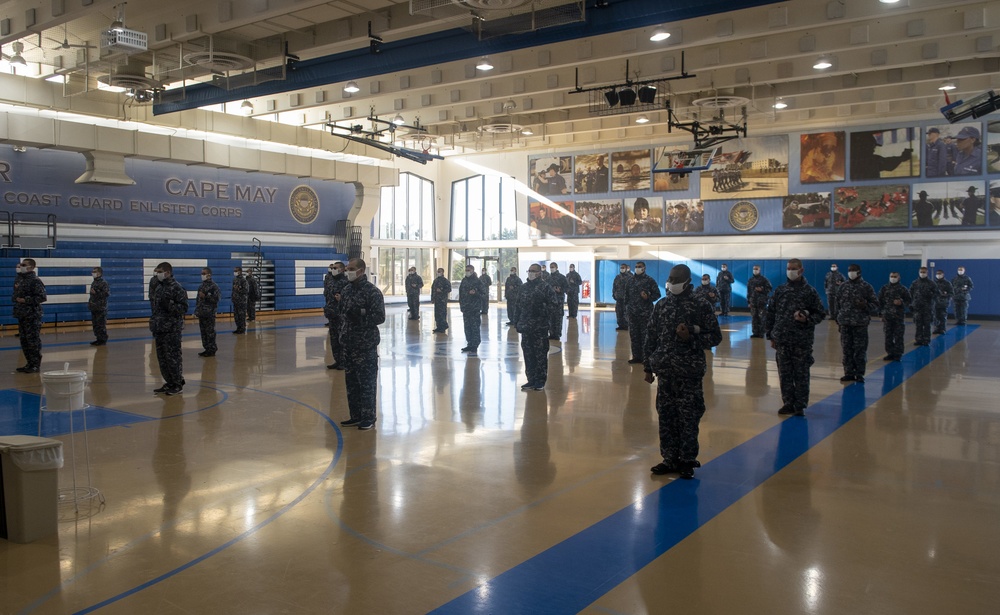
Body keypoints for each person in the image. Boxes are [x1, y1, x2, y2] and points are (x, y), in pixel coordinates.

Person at [643, 264, 722, 479]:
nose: (671, 282)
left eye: (676, 279)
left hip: (689, 373)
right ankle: (669, 458)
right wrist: (648, 367)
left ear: (687, 281)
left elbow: (715, 337)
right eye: (670, 278)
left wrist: (692, 338)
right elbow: (650, 337)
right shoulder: (661, 305)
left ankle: (687, 460)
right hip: (666, 373)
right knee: (666, 417)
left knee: (688, 417)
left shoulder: (700, 305)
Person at [765, 258, 827, 416]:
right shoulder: (780, 290)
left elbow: (820, 313)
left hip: (801, 341)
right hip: (782, 340)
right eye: (788, 268)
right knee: (784, 374)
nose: (790, 271)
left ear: (801, 270)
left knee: (801, 374)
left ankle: (800, 405)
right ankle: (788, 403)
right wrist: (771, 335)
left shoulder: (809, 291)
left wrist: (807, 318)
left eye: (793, 268)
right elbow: (771, 313)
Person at [336, 258, 385, 431]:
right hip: (348, 344)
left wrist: (361, 316)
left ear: (361, 271)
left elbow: (380, 317)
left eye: (351, 268)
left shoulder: (372, 292)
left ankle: (368, 417)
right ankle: (355, 415)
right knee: (351, 383)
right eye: (347, 268)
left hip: (364, 345)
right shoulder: (347, 290)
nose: (348, 271)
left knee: (366, 383)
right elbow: (342, 312)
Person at [515, 264, 558, 391]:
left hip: (540, 327)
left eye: (533, 271)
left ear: (539, 273)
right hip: (526, 327)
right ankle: (531, 379)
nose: (531, 273)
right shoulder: (523, 288)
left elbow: (554, 305)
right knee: (528, 354)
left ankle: (540, 380)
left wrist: (542, 310)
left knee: (540, 354)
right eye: (529, 271)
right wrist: (516, 322)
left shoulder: (545, 287)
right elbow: (517, 306)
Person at [834, 264, 879, 383]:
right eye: (849, 270)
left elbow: (875, 306)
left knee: (860, 350)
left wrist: (865, 305)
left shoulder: (866, 287)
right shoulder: (843, 286)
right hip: (845, 324)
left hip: (860, 324)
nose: (851, 272)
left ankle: (859, 373)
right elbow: (837, 304)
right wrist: (838, 319)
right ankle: (848, 372)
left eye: (853, 270)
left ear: (859, 272)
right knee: (846, 349)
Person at [149, 262, 188, 395]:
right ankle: (169, 382)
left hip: (171, 329)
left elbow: (183, 308)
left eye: (160, 271)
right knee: (162, 358)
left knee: (173, 357)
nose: (157, 274)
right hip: (159, 328)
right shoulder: (159, 288)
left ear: (168, 272)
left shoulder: (177, 288)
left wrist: (170, 305)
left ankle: (177, 383)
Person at [12, 259, 47, 373]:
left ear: (31, 267)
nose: (21, 266)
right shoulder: (20, 279)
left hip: (32, 314)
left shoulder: (35, 281)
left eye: (24, 265)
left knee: (33, 340)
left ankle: (35, 364)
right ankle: (29, 363)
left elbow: (42, 297)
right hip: (22, 314)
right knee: (24, 340)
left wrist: (25, 300)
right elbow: (15, 296)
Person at [624, 261, 661, 364]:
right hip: (632, 314)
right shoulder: (630, 281)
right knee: (634, 336)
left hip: (645, 314)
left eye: (639, 267)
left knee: (646, 336)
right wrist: (627, 310)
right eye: (636, 267)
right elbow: (626, 297)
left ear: (644, 268)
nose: (637, 268)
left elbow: (657, 294)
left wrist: (648, 296)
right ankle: (636, 356)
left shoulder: (649, 281)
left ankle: (646, 357)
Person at [878, 272, 911, 361]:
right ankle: (890, 353)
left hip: (898, 317)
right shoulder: (884, 288)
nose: (893, 278)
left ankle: (898, 354)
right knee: (888, 336)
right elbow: (880, 302)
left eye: (895, 276)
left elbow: (909, 301)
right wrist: (880, 314)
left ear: (899, 277)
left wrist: (901, 303)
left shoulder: (903, 289)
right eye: (891, 276)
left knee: (898, 336)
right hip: (887, 317)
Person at [326, 262, 349, 369]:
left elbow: (349, 299)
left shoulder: (345, 282)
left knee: (342, 339)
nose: (333, 269)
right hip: (331, 314)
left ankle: (344, 361)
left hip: (340, 315)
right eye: (332, 268)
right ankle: (337, 360)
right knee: (334, 339)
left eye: (335, 268)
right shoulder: (330, 280)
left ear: (342, 269)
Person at [195, 267, 221, 357]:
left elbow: (217, 299)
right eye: (202, 273)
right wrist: (196, 311)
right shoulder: (201, 286)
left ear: (209, 274)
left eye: (204, 273)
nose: (202, 275)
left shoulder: (214, 286)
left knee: (210, 332)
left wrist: (206, 296)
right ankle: (206, 348)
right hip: (202, 313)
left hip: (209, 313)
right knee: (203, 332)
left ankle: (212, 349)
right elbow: (198, 299)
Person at [458, 264, 484, 354]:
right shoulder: (464, 280)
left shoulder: (477, 281)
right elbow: (461, 294)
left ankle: (475, 345)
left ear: (472, 270)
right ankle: (469, 344)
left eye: (468, 270)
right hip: (466, 309)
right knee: (467, 327)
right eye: (466, 270)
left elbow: (484, 294)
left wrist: (475, 293)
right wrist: (461, 306)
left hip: (474, 309)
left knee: (474, 327)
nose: (467, 271)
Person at [909, 267, 936, 346]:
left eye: (924, 272)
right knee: (918, 325)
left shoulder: (931, 283)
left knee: (927, 325)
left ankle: (926, 340)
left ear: (927, 273)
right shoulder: (915, 283)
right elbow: (910, 294)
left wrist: (930, 295)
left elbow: (936, 294)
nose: (922, 273)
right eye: (921, 272)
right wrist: (911, 304)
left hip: (927, 308)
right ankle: (919, 339)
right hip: (917, 308)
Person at [747, 265, 772, 338]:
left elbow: (769, 288)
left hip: (761, 302)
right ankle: (755, 332)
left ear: (759, 270)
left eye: (756, 269)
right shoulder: (750, 280)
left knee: (761, 317)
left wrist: (762, 289)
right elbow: (749, 292)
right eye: (754, 269)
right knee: (754, 318)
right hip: (753, 302)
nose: (755, 270)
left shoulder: (764, 279)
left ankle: (761, 333)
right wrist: (749, 302)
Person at [88, 266, 110, 346]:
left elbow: (106, 294)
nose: (93, 273)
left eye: (94, 272)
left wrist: (96, 293)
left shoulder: (103, 282)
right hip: (94, 307)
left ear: (99, 273)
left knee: (101, 324)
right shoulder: (94, 282)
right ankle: (98, 338)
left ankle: (102, 339)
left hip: (101, 307)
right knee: (95, 324)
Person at [547, 262, 568, 339]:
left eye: (553, 267)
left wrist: (560, 290)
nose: (551, 269)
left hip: (558, 301)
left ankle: (557, 334)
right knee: (550, 318)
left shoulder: (562, 277)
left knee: (558, 318)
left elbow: (567, 288)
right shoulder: (548, 278)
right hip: (550, 302)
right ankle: (551, 333)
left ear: (556, 267)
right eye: (550, 267)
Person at [932, 270, 954, 335]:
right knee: (936, 316)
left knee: (942, 316)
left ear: (943, 274)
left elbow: (951, 293)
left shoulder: (947, 283)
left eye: (940, 274)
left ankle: (942, 329)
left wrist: (945, 295)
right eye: (937, 273)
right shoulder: (933, 283)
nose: (938, 275)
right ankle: (937, 328)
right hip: (935, 303)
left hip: (943, 303)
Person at [431, 268, 452, 333]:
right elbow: (433, 290)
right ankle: (438, 326)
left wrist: (442, 290)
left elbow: (449, 289)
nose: (438, 272)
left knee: (442, 313)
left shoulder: (445, 281)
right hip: (437, 300)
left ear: (443, 272)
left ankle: (443, 326)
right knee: (437, 314)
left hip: (442, 300)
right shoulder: (435, 280)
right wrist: (432, 298)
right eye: (438, 271)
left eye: (440, 271)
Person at [612, 263, 632, 330]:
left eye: (623, 268)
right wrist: (614, 295)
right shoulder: (617, 277)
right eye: (621, 267)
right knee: (619, 312)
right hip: (619, 298)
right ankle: (620, 325)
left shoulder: (630, 278)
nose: (622, 269)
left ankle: (626, 325)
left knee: (626, 312)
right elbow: (614, 287)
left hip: (626, 299)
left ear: (626, 269)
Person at [231, 266, 248, 334]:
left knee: (241, 316)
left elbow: (246, 290)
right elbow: (233, 290)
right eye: (234, 271)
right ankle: (238, 328)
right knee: (236, 316)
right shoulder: (235, 280)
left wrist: (239, 289)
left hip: (242, 301)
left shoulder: (243, 280)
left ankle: (242, 329)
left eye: (236, 271)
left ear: (239, 272)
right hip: (236, 301)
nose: (234, 272)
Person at [323, 263, 337, 328]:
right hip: (328, 294)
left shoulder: (334, 277)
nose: (331, 269)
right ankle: (329, 321)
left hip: (333, 296)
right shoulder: (327, 276)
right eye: (330, 268)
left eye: (332, 268)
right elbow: (325, 285)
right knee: (328, 308)